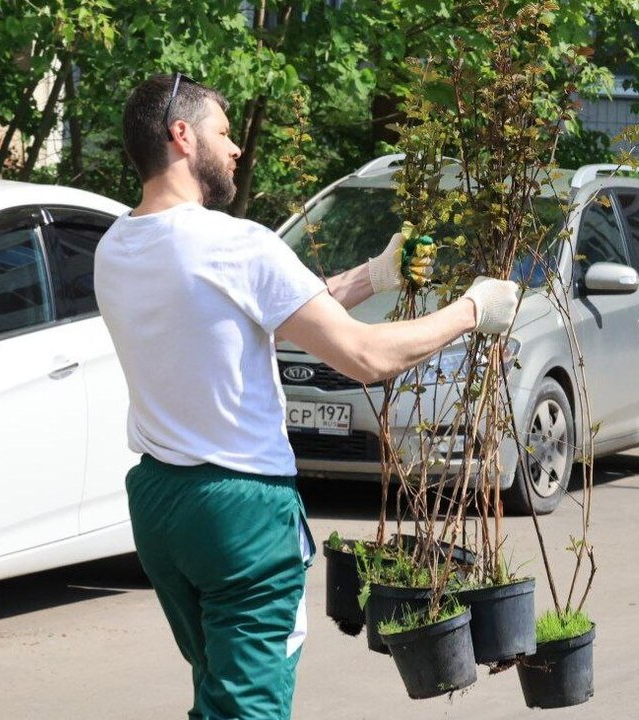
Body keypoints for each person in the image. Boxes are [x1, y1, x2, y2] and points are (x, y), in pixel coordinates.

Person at [93, 73, 519, 720]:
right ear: (182, 136)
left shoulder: (116, 247)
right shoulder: (236, 244)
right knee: (251, 707)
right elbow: (365, 357)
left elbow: (256, 307)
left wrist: (372, 276)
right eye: (224, 133)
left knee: (218, 688)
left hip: (160, 504)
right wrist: (471, 309)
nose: (234, 149)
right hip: (242, 512)